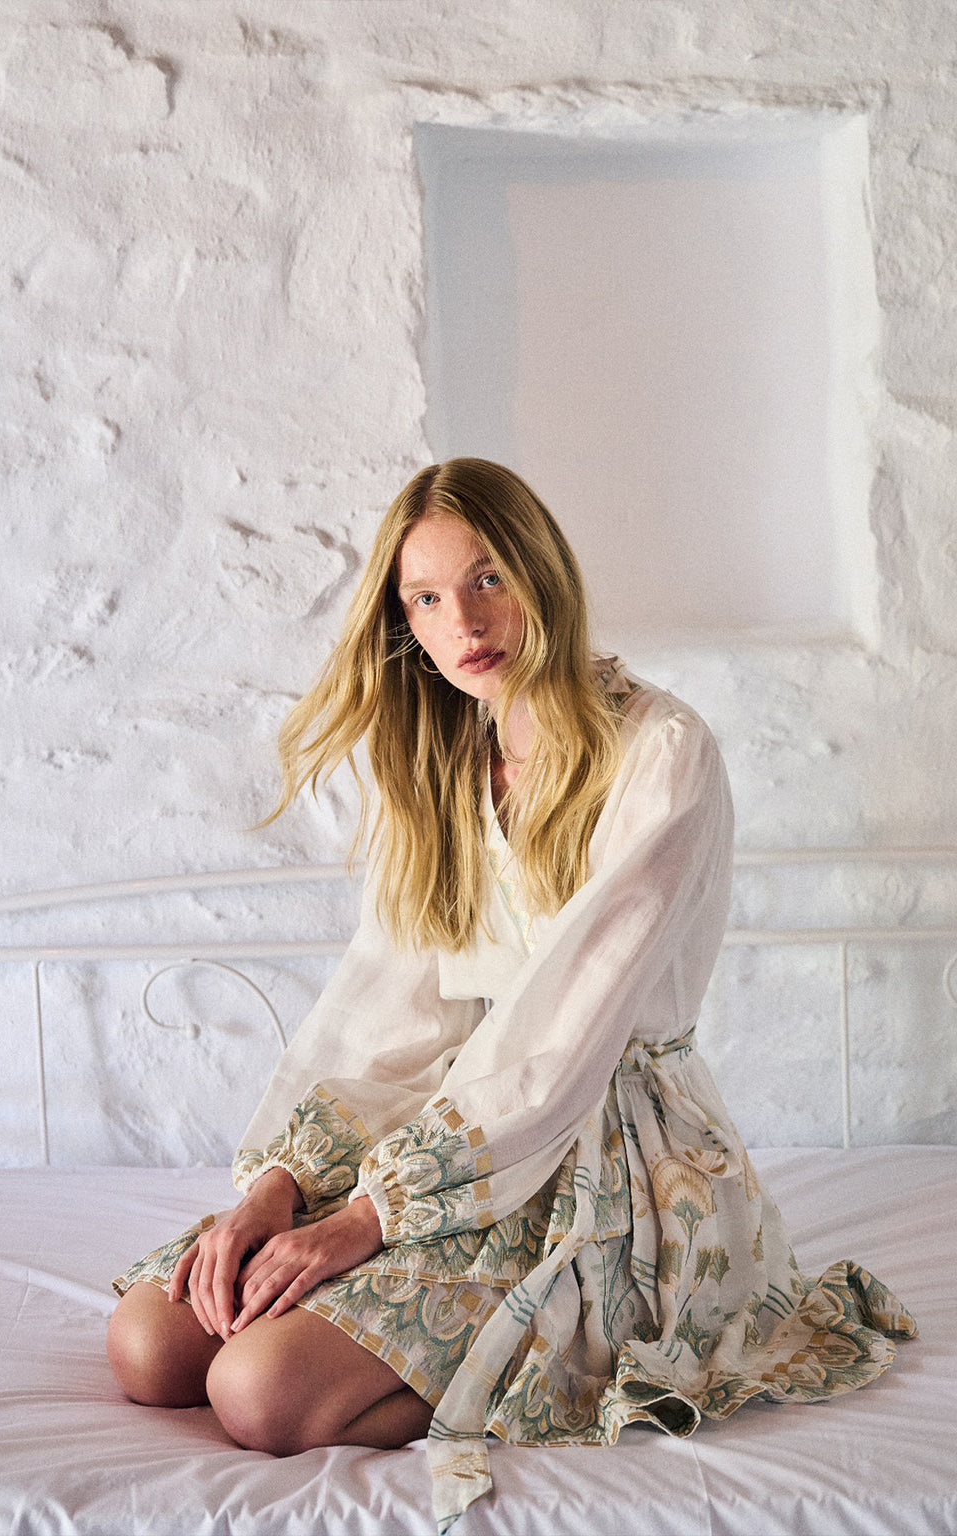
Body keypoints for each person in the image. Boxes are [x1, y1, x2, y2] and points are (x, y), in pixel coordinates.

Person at [107, 458, 916, 1532]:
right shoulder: (448, 753)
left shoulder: (659, 750)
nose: (464, 622)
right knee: (148, 1346)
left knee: (257, 1393)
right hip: (451, 1110)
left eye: (489, 578)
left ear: (542, 571)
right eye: (426, 598)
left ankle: (536, 1370)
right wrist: (281, 1187)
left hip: (603, 1135)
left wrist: (371, 1218)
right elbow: (390, 1005)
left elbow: (563, 1037)